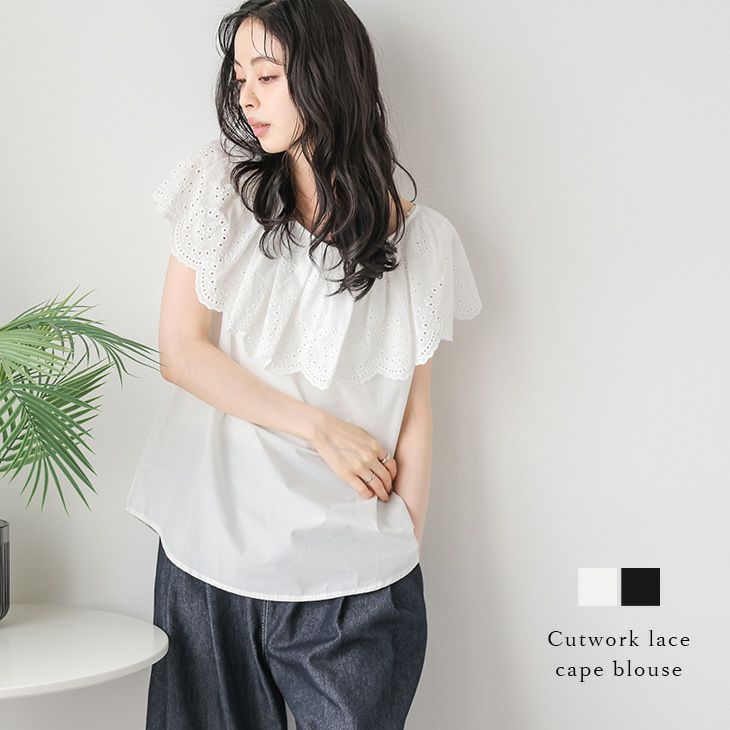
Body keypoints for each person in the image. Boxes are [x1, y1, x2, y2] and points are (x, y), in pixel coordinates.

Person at [125, 1, 482, 727]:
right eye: (239, 79)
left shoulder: (425, 244)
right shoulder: (223, 192)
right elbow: (182, 352)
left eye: (267, 75)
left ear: (327, 78)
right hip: (213, 557)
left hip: (356, 578)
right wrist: (320, 428)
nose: (247, 97)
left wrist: (401, 543)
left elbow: (416, 411)